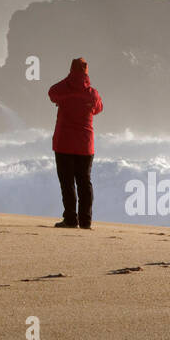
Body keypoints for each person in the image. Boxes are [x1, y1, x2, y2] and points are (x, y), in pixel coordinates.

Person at [47, 57, 102, 229]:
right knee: (84, 183)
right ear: (87, 72)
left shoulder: (63, 89)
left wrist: (69, 80)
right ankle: (86, 221)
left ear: (71, 70)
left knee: (67, 183)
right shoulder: (92, 93)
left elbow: (51, 92)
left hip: (64, 143)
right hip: (85, 145)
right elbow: (99, 108)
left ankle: (70, 219)